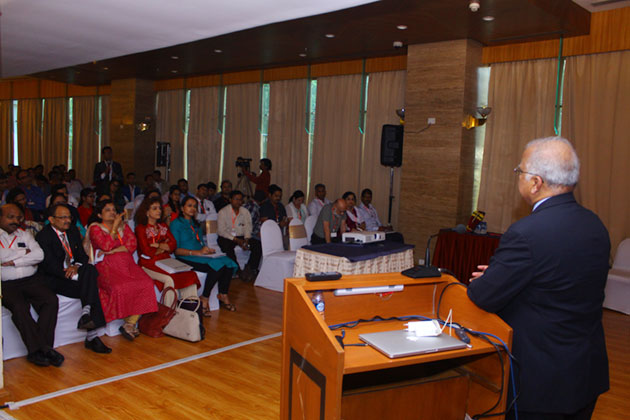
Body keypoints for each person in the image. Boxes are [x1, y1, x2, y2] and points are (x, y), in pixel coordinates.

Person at [467, 137, 610, 420]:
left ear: (535, 183)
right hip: (585, 373)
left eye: (519, 171)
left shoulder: (526, 233)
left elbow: (482, 296)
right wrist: (503, 276)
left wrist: (494, 279)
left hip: (542, 383)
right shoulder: (595, 224)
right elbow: (558, 280)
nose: (518, 177)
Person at [36, 204, 111, 354]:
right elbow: (48, 265)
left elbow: (82, 256)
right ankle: (92, 335)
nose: (68, 220)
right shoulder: (43, 237)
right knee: (90, 287)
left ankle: (86, 313)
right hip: (56, 277)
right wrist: (67, 272)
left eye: (69, 217)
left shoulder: (72, 231)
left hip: (74, 272)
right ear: (51, 219)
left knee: (90, 270)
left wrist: (75, 266)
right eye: (63, 217)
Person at [0, 203, 63, 367]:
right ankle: (42, 350)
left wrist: (13, 261)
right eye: (10, 217)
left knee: (50, 300)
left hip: (31, 280)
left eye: (18, 217)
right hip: (6, 284)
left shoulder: (25, 234)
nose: (15, 221)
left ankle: (41, 349)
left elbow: (39, 255)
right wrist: (24, 253)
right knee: (20, 307)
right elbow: (1, 255)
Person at [85, 200, 157, 341]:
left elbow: (132, 245)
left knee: (146, 283)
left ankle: (129, 323)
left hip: (127, 264)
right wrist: (114, 229)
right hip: (107, 266)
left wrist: (114, 250)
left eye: (114, 209)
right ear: (99, 215)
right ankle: (126, 322)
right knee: (119, 287)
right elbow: (105, 246)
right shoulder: (95, 228)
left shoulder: (123, 226)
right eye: (107, 210)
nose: (112, 212)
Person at [170, 196, 238, 313]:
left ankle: (223, 294)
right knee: (217, 265)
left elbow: (200, 243)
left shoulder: (195, 223)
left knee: (229, 262)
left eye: (194, 206)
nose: (193, 208)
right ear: (182, 208)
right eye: (189, 206)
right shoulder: (176, 224)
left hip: (200, 255)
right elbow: (176, 250)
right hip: (185, 257)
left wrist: (206, 250)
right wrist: (196, 252)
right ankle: (205, 297)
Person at [134, 197, 200, 307]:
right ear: (146, 212)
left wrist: (158, 245)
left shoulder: (163, 226)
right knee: (169, 279)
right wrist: (165, 245)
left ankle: (189, 311)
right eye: (154, 208)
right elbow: (147, 251)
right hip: (148, 264)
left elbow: (173, 245)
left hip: (166, 261)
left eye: (159, 208)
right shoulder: (141, 229)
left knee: (190, 274)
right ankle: (169, 312)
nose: (159, 211)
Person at [217, 190, 262, 282]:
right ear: (230, 200)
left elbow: (248, 227)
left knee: (258, 245)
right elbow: (221, 231)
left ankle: (250, 268)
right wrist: (236, 240)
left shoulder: (245, 212)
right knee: (227, 247)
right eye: (236, 199)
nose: (238, 202)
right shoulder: (223, 212)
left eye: (240, 200)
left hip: (242, 236)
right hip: (227, 237)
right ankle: (237, 270)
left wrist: (246, 240)